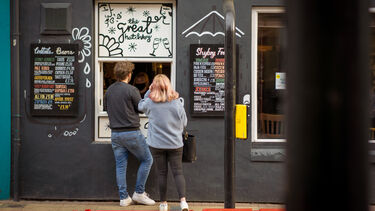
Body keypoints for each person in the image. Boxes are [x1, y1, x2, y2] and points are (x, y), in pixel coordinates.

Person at [104, 61, 155, 207]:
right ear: (129, 74)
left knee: (120, 166)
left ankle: (123, 198)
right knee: (147, 160)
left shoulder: (109, 90)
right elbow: (142, 108)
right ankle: (139, 193)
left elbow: (107, 108)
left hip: (115, 134)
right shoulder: (131, 90)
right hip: (131, 132)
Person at [138, 74, 189, 211]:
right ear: (168, 86)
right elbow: (184, 123)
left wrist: (149, 91)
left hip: (157, 145)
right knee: (178, 172)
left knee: (162, 173)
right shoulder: (176, 103)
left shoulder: (150, 103)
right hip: (175, 144)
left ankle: (163, 204)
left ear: (154, 86)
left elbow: (140, 106)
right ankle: (183, 202)